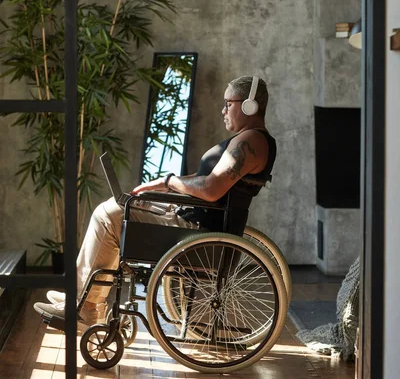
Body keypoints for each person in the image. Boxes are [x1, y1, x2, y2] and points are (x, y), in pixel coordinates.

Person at [34, 75, 277, 328]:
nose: (223, 109)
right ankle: (84, 296)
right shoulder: (250, 139)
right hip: (193, 221)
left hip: (196, 232)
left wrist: (170, 182)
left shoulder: (251, 142)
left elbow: (210, 189)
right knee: (121, 206)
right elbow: (205, 179)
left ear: (250, 106)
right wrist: (162, 182)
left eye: (229, 103)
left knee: (109, 215)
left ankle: (86, 306)